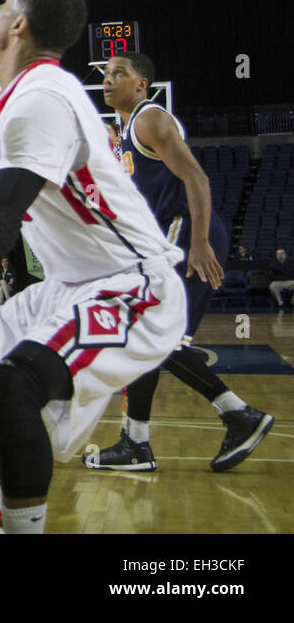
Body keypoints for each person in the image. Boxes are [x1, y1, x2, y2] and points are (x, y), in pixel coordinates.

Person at [0, 0, 190, 534]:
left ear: (18, 24)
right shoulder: (25, 93)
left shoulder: (40, 101)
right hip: (74, 283)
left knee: (13, 382)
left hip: (135, 284)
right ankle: (6, 508)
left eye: (0, 7)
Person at [83, 52, 272, 474]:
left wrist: (200, 241)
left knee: (151, 338)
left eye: (120, 73)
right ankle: (137, 443)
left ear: (142, 85)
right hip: (169, 235)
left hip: (186, 233)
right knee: (145, 343)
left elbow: (197, 178)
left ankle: (239, 415)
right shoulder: (125, 128)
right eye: (106, 75)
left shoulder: (151, 119)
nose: (109, 80)